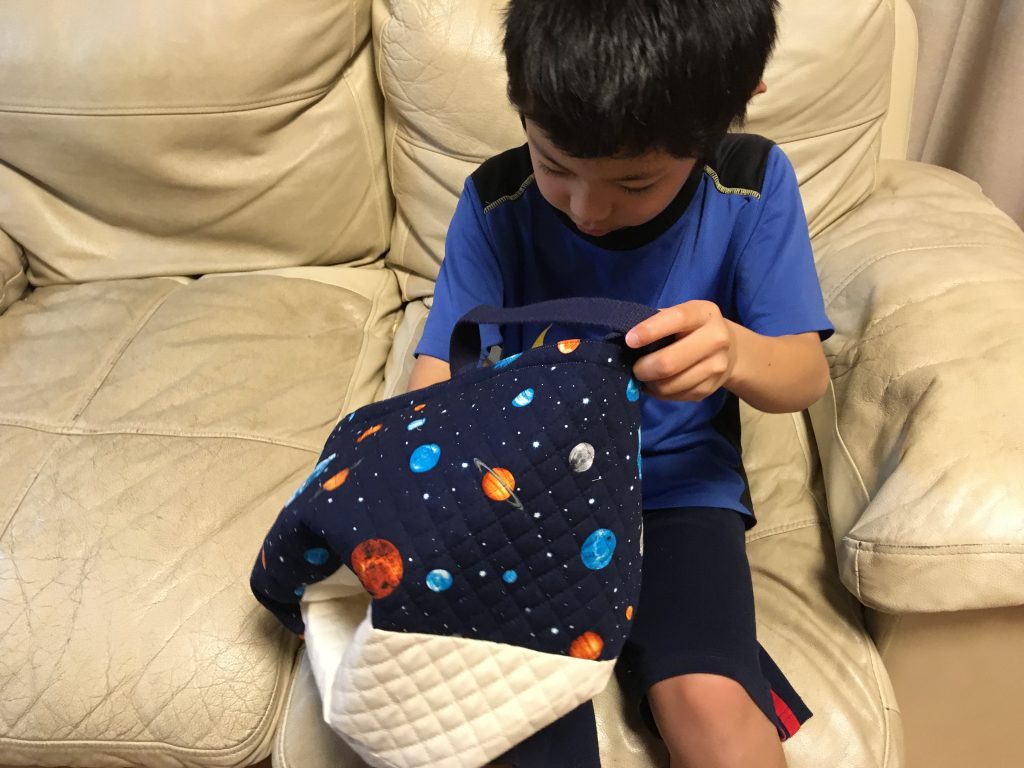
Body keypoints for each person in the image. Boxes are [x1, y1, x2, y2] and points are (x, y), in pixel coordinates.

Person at [408, 1, 832, 766]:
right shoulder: (495, 202)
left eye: (635, 184)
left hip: (676, 491)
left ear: (731, 108)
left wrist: (735, 353)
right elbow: (435, 374)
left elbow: (803, 374)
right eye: (554, 166)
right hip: (527, 494)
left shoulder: (751, 183)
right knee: (516, 718)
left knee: (707, 702)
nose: (587, 210)